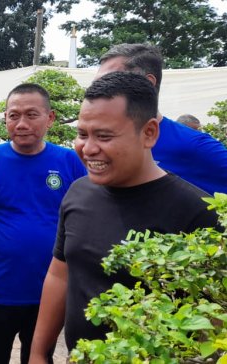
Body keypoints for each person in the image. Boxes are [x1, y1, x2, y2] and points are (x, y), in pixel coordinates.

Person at [28, 72, 220, 363]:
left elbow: (212, 323)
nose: (89, 148)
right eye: (82, 134)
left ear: (149, 133)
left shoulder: (196, 211)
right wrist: (39, 353)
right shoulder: (79, 193)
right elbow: (60, 274)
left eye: (104, 136)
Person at [0, 84, 86, 364]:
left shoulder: (70, 162)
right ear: (5, 118)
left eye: (31, 114)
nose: (22, 123)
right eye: (13, 115)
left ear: (50, 118)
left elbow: (84, 224)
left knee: (39, 358)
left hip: (48, 292)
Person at [95, 43, 227, 195]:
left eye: (110, 80)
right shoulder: (95, 146)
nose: (98, 89)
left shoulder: (193, 145)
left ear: (147, 82)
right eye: (97, 83)